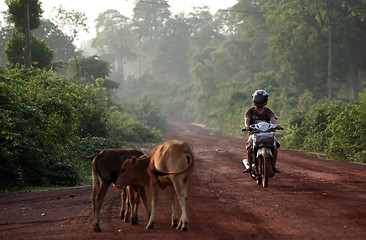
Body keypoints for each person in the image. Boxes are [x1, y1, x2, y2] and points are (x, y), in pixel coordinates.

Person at [243, 90, 281, 174]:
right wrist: (247, 126)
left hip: (267, 133)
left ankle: (273, 166)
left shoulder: (268, 111)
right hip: (254, 134)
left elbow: (273, 119)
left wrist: (276, 125)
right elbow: (247, 120)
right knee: (249, 147)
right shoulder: (250, 111)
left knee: (275, 145)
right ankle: (250, 166)